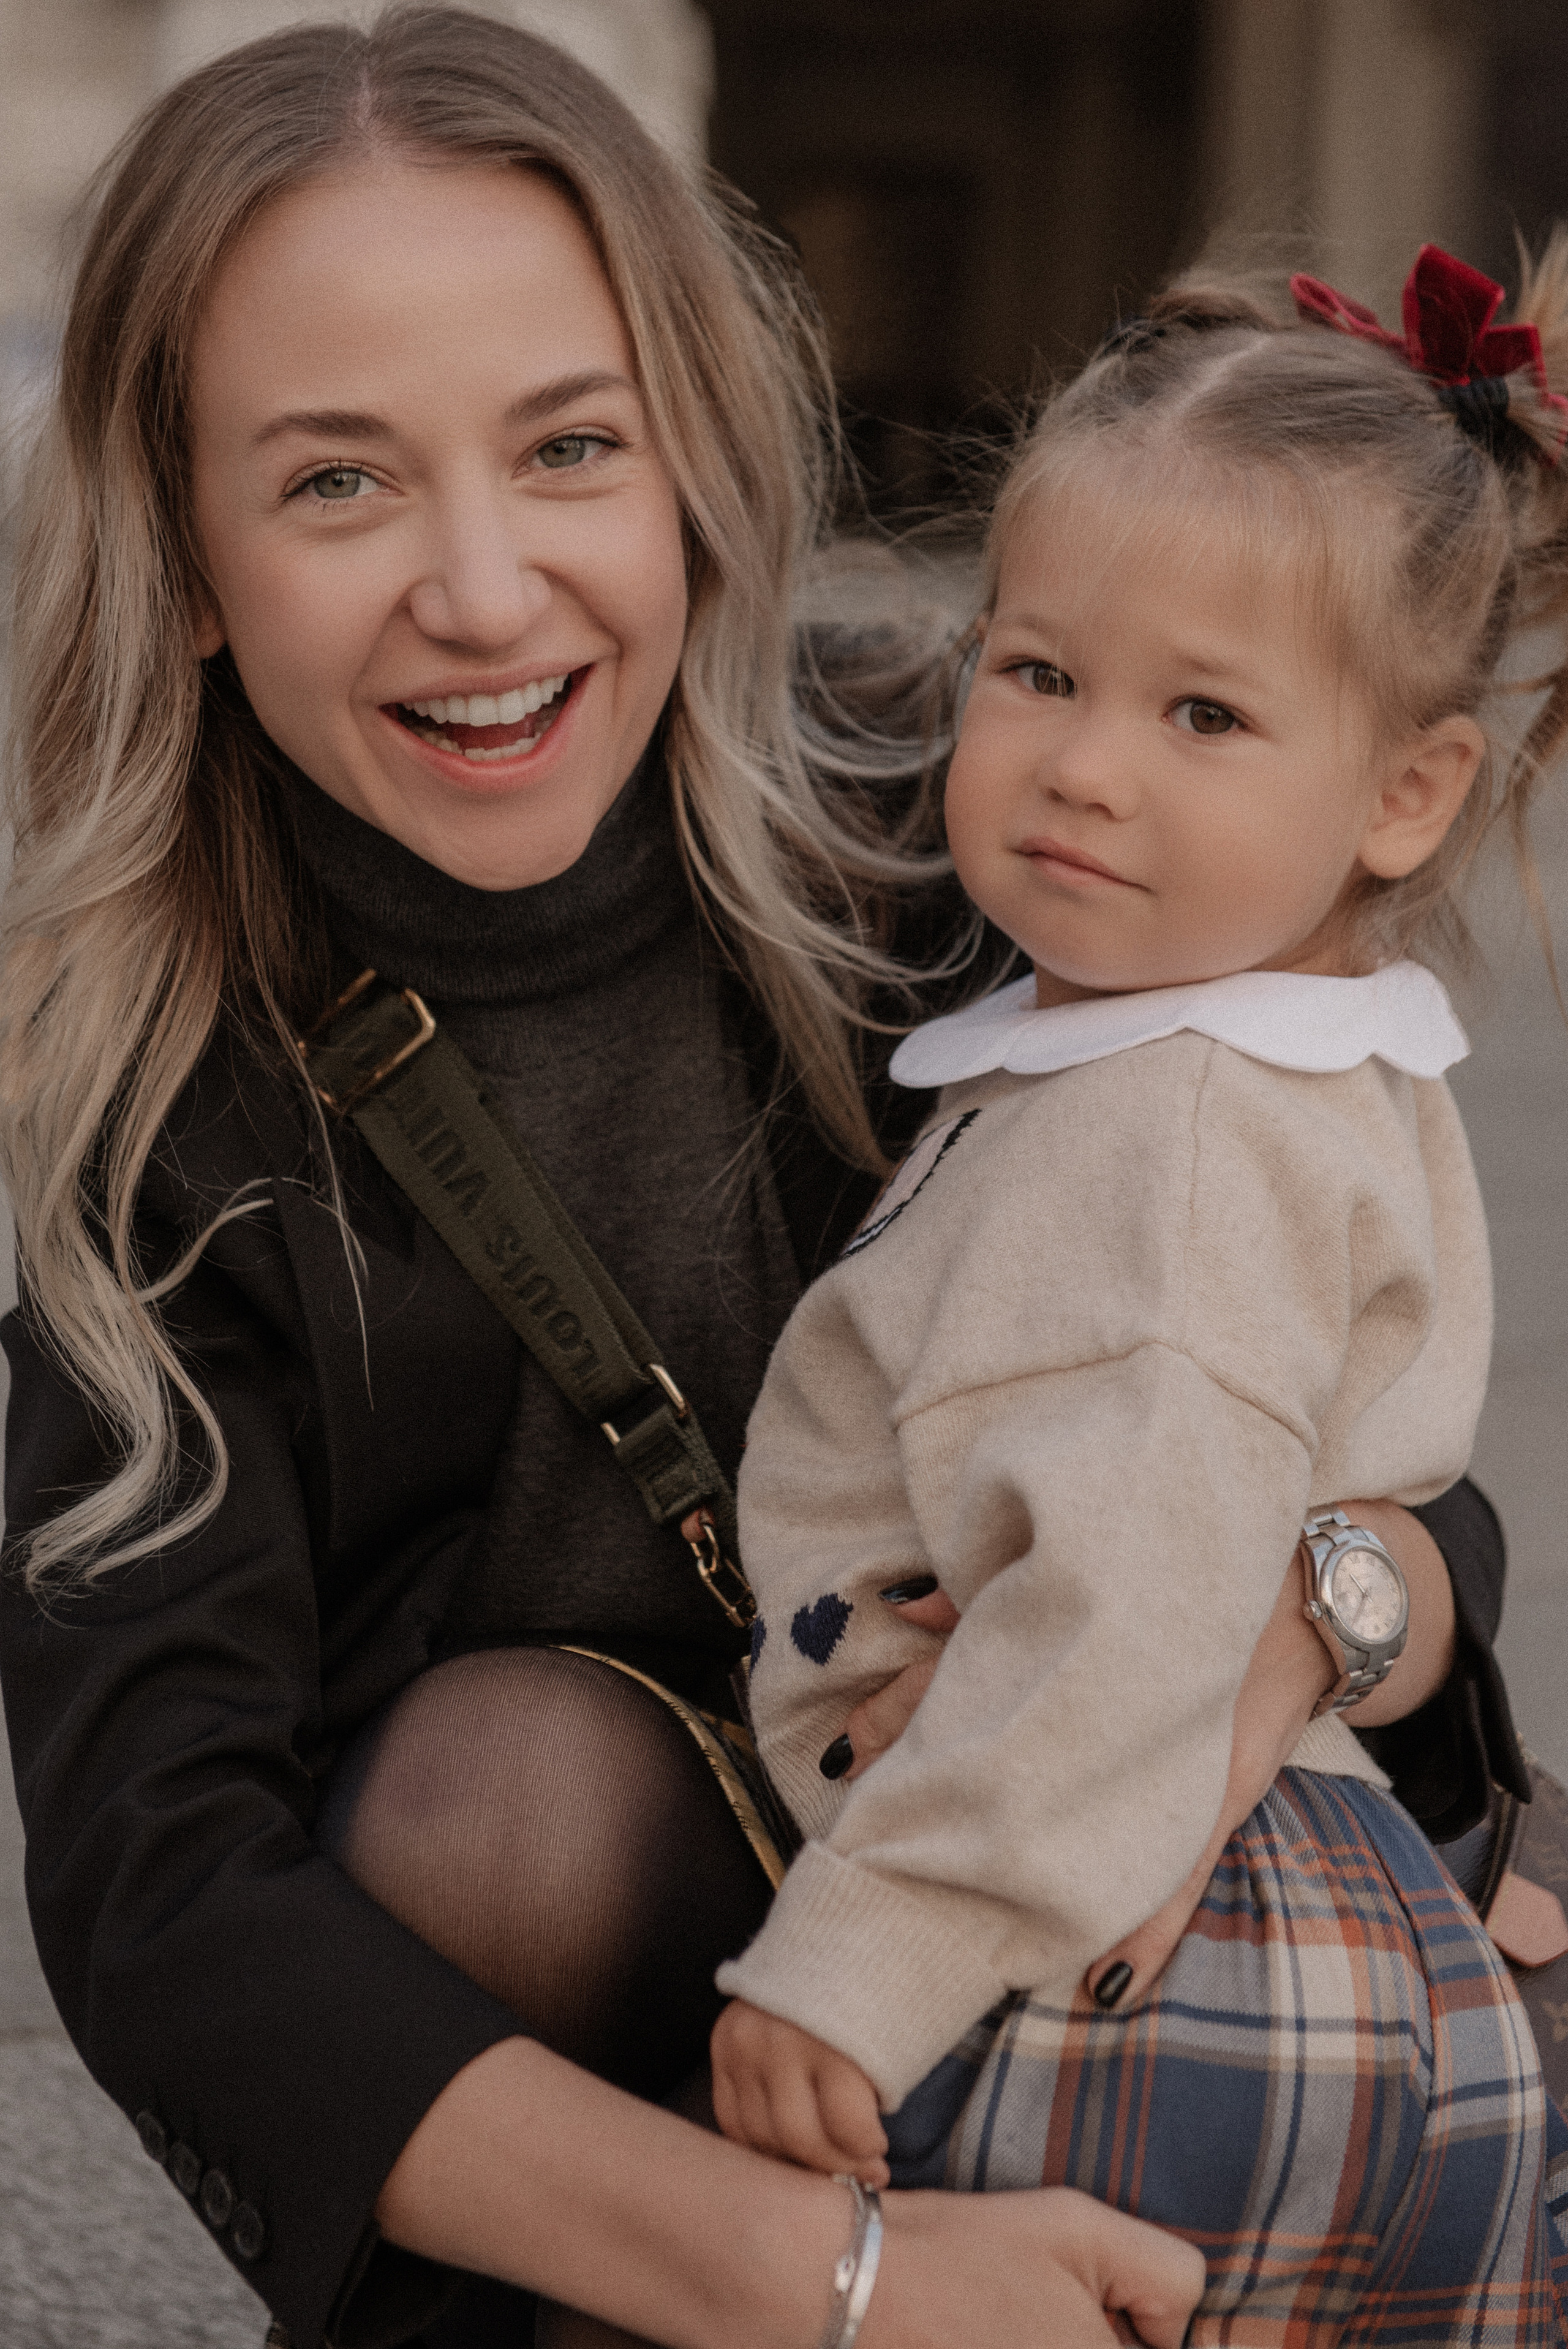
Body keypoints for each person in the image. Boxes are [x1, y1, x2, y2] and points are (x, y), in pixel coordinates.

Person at [0, 9, 1524, 2345]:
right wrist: (833, 2274)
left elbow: (1360, 1402)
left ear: (697, 461)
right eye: (336, 483)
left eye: (570, 446)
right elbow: (166, 1892)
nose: (488, 591)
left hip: (1077, 1920)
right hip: (603, 2085)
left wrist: (1310, 1626)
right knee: (482, 1797)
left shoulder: (986, 816)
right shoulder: (134, 1088)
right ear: (185, 555)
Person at [712, 244, 1568, 2337]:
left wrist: (865, 1954)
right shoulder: (1270, 1052)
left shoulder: (1165, 1130)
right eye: (1037, 674)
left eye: (1203, 712)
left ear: (1407, 791)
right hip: (1346, 1919)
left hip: (1159, 1949)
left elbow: (1128, 1603)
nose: (1090, 765)